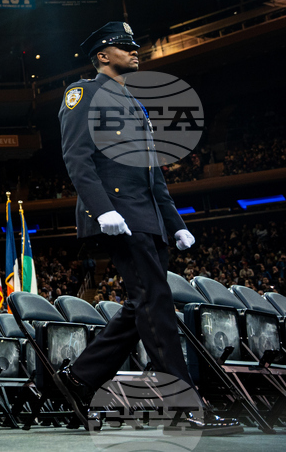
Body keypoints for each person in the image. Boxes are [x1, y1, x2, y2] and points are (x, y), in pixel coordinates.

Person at [54, 22, 241, 434]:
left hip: (147, 218)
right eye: (125, 46)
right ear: (103, 55)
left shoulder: (133, 102)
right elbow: (78, 158)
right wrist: (102, 209)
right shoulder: (83, 93)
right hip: (119, 216)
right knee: (155, 305)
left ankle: (79, 377)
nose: (135, 50)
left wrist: (174, 223)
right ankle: (183, 408)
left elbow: (153, 172)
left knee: (142, 305)